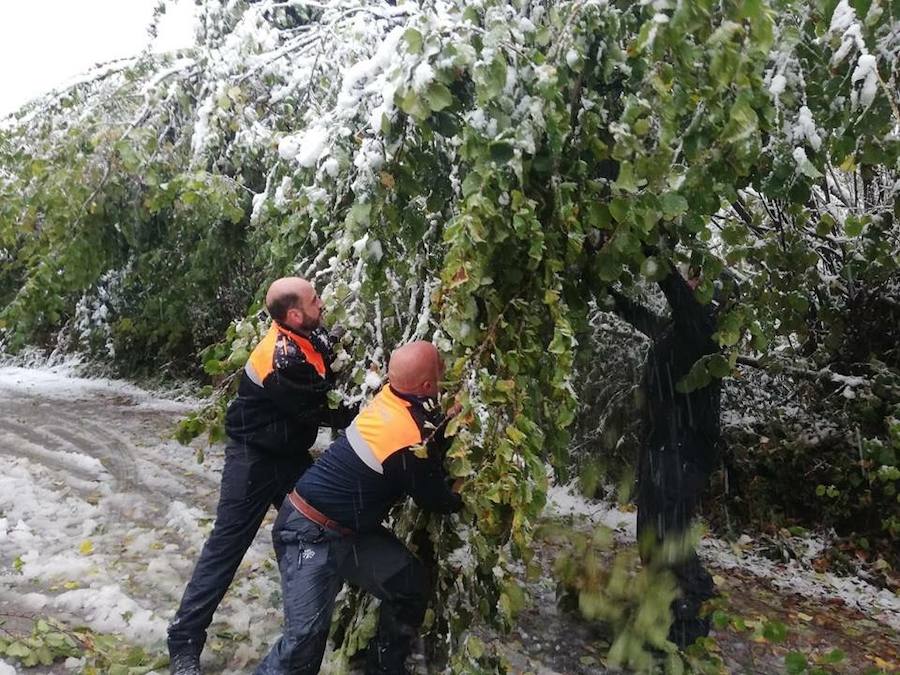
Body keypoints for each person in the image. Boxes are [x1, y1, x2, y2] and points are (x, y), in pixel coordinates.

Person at [168, 277, 358, 675]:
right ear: (293, 314)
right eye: (315, 300)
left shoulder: (301, 330)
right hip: (253, 460)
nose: (322, 305)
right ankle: (183, 640)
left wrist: (341, 340)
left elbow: (324, 348)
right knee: (227, 548)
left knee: (329, 524)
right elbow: (328, 409)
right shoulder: (281, 359)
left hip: (289, 454)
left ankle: (328, 612)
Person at [255, 340, 463, 675]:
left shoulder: (391, 396)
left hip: (350, 534)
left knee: (408, 584)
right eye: (442, 371)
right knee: (304, 641)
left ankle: (383, 668)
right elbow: (438, 500)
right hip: (308, 532)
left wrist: (447, 421)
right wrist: (465, 486)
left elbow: (422, 435)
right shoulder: (405, 439)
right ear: (426, 387)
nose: (446, 377)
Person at [611, 268, 722, 648]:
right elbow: (643, 318)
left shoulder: (703, 333)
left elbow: (675, 291)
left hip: (684, 452)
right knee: (653, 533)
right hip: (662, 448)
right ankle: (679, 600)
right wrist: (605, 293)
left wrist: (654, 254)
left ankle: (688, 619)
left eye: (697, 281)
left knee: (667, 535)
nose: (690, 284)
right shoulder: (677, 332)